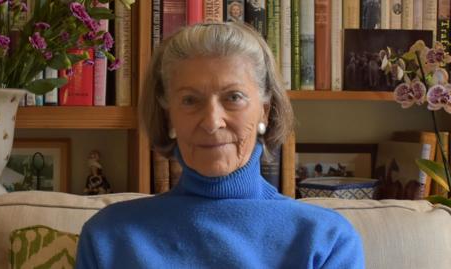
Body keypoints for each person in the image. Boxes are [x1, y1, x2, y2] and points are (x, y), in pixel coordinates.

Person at [76, 22, 364, 268]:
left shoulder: (325, 239)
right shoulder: (109, 236)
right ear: (168, 115)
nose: (212, 121)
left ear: (265, 110)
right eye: (190, 100)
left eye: (233, 97)